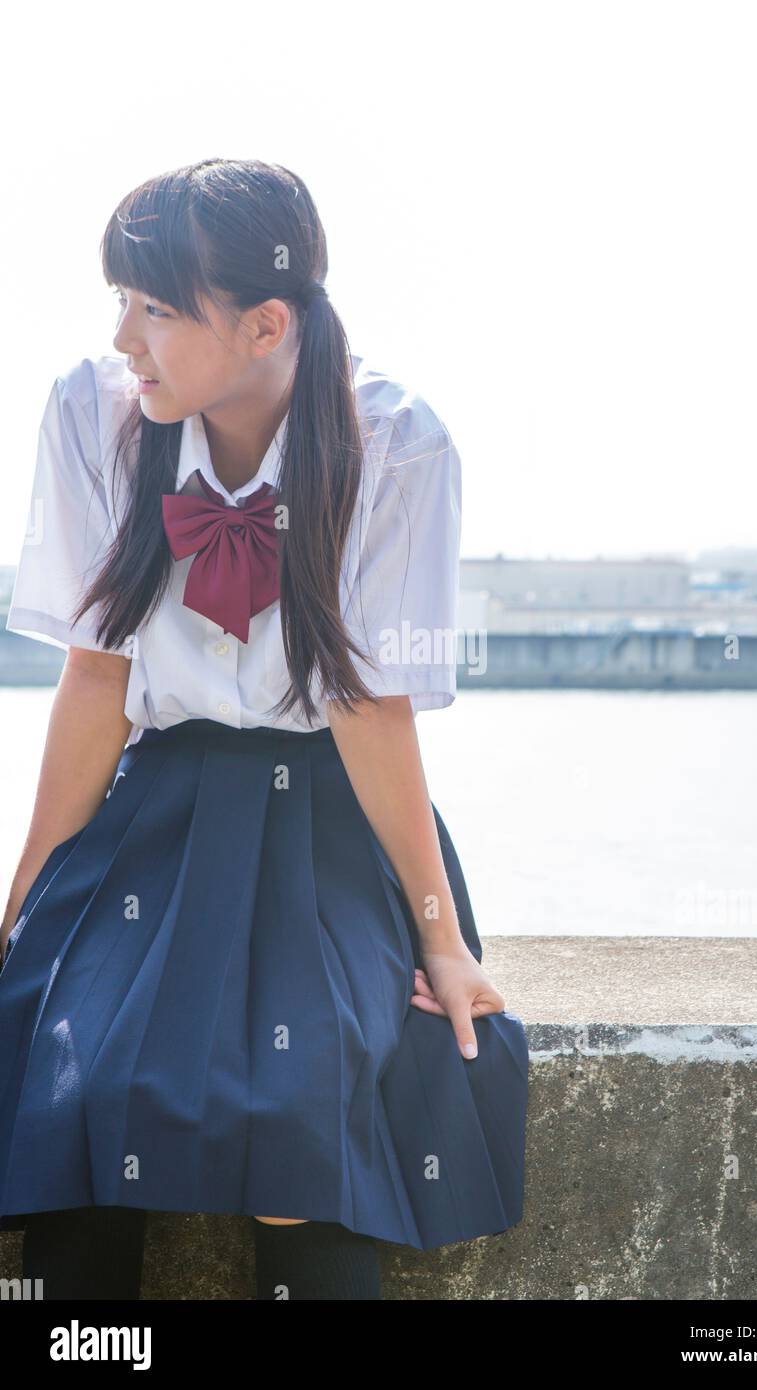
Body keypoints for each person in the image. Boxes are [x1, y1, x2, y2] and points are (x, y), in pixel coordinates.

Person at [0, 158, 528, 1301]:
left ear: (265, 322)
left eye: (154, 307)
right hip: (158, 804)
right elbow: (96, 682)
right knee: (74, 1075)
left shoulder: (395, 445)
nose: (124, 337)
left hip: (327, 813)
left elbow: (368, 708)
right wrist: (26, 900)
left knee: (309, 1105)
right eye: (119, 303)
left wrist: (438, 933)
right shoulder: (93, 412)